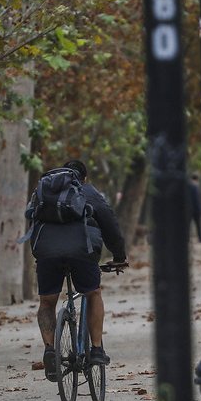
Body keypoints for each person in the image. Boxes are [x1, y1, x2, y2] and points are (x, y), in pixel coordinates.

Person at [28, 160, 127, 381]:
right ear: (84, 178)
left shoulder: (43, 193)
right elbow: (109, 222)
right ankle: (97, 349)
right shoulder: (87, 191)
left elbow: (32, 223)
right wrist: (119, 256)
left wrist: (41, 254)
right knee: (93, 293)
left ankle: (50, 350)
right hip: (82, 252)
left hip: (47, 252)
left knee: (46, 302)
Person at [189, 174, 201, 242]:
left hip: (190, 209)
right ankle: (200, 238)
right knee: (198, 225)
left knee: (188, 225)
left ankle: (187, 239)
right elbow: (198, 200)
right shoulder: (196, 187)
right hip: (196, 209)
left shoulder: (189, 187)